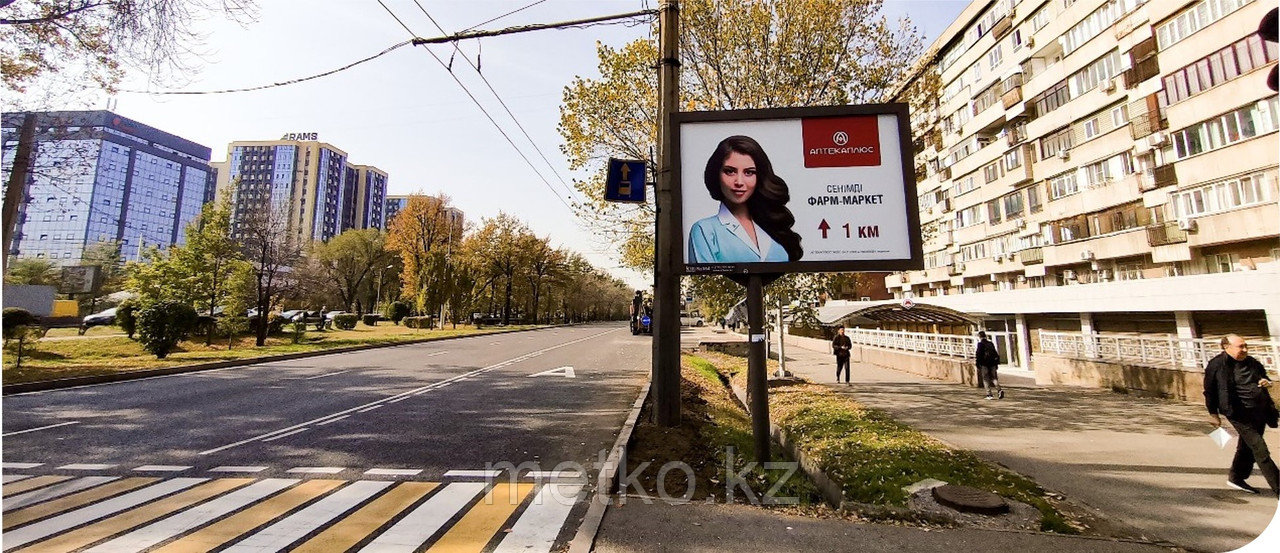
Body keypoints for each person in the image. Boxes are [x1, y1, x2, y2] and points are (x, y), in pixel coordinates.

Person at [688, 135, 803, 264]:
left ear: (759, 176)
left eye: (749, 172)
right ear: (716, 174)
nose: (739, 182)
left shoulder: (774, 225)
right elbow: (704, 279)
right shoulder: (705, 230)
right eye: (730, 171)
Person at [1204, 334, 1280, 496]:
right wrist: (1213, 413)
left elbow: (1264, 378)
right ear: (1226, 347)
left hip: (1259, 410)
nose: (1245, 349)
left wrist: (1266, 382)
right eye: (1241, 347)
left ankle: (1236, 477)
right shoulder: (1217, 365)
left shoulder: (1252, 363)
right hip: (1237, 413)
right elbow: (1209, 391)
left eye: (1246, 346)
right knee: (1260, 450)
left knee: (1247, 447)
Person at [975, 331, 1003, 400]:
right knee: (994, 378)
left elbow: (978, 355)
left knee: (985, 379)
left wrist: (978, 364)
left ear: (980, 337)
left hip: (984, 364)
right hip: (992, 364)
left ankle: (989, 394)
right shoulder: (990, 343)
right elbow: (995, 353)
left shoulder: (980, 344)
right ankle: (999, 389)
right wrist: (996, 363)